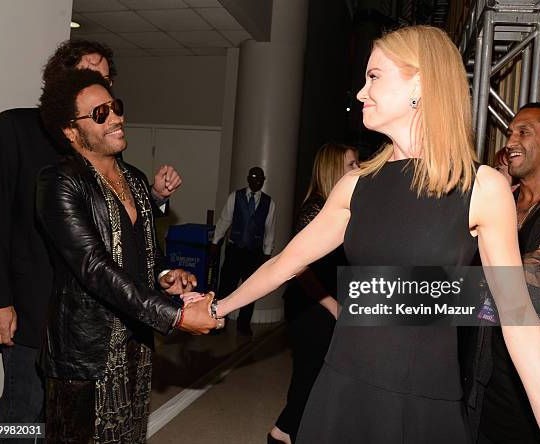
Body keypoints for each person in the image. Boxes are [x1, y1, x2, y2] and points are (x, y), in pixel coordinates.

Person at [211, 25, 540, 443]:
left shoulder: (482, 187)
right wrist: (215, 310)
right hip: (341, 393)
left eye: (374, 76)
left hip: (423, 403)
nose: (361, 92)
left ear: (421, 82)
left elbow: (516, 315)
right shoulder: (355, 185)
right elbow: (285, 263)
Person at [0, 39, 181, 436]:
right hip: (31, 308)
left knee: (72, 425)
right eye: (87, 74)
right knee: (21, 416)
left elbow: (112, 217)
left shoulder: (102, 145)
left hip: (93, 319)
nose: (98, 87)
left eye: (105, 80)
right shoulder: (15, 127)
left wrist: (153, 200)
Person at [36, 68, 218, 442]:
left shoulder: (134, 179)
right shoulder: (60, 182)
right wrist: (175, 316)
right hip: (84, 355)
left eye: (115, 106)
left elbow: (146, 251)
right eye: (100, 113)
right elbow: (94, 268)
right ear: (72, 131)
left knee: (129, 434)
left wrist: (166, 275)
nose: (116, 116)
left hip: (135, 343)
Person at [468, 103, 540, 443]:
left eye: (524, 132)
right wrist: (522, 265)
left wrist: (506, 269)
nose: (511, 141)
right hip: (474, 365)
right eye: (509, 133)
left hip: (530, 381)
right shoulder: (492, 201)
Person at [269, 143, 359, 444]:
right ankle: (282, 433)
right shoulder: (316, 209)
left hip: (323, 306)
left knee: (315, 374)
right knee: (311, 374)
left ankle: (290, 432)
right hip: (310, 308)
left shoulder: (335, 209)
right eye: (351, 164)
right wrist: (333, 306)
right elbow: (301, 270)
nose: (357, 169)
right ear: (334, 170)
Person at [211, 166, 276, 335]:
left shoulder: (270, 203)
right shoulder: (235, 197)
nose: (256, 181)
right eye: (253, 178)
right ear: (248, 179)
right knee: (225, 287)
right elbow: (224, 220)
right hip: (234, 250)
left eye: (260, 178)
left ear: (263, 180)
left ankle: (243, 325)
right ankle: (219, 322)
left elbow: (270, 230)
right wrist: (215, 241)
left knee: (251, 289)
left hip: (254, 253)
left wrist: (267, 253)